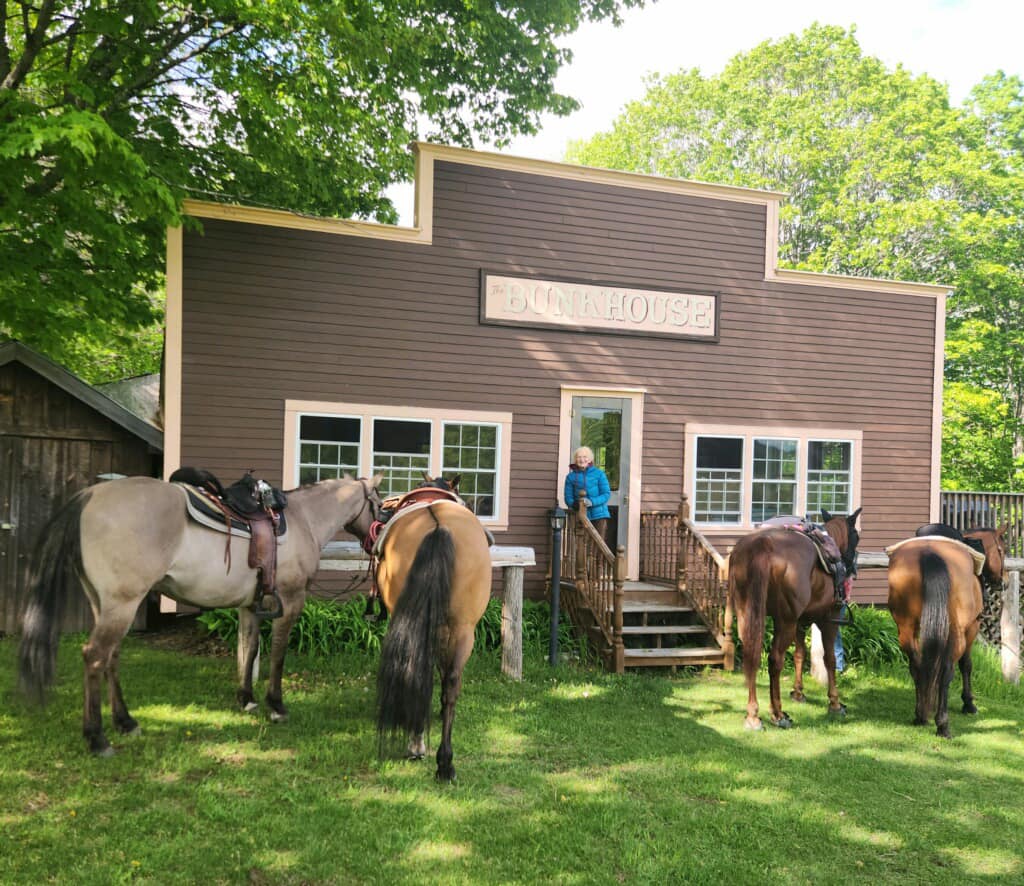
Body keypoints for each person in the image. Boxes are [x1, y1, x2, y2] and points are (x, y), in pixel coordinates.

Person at [564, 446, 612, 542]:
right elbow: (568, 497)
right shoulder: (570, 477)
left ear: (590, 459)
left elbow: (606, 494)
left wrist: (592, 502)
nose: (582, 459)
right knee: (581, 543)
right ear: (575, 459)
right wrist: (575, 504)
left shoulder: (599, 474)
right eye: (579, 457)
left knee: (598, 544)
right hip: (580, 515)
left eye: (585, 457)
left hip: (599, 515)